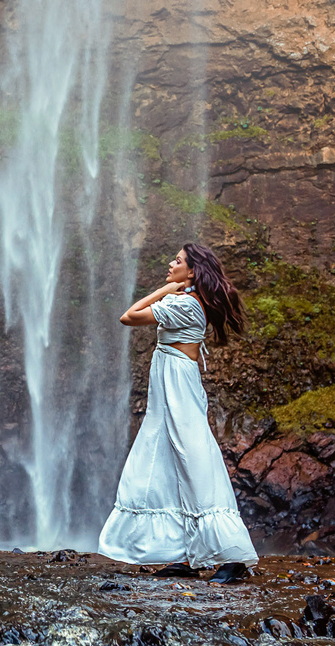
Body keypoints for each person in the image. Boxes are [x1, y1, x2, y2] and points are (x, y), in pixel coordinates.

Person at [98, 243, 258, 584]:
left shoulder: (185, 303)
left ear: (193, 272)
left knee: (195, 460)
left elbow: (128, 316)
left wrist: (166, 289)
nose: (171, 264)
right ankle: (183, 554)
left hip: (179, 390)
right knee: (165, 465)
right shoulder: (186, 302)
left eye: (178, 261)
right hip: (168, 390)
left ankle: (232, 555)